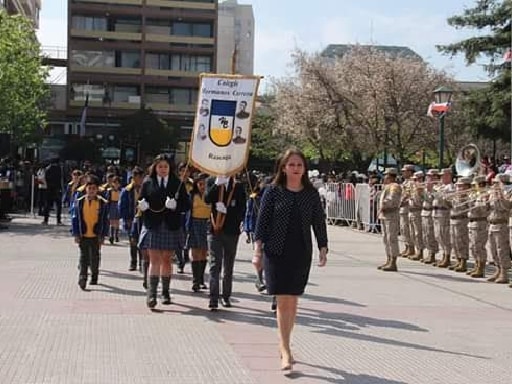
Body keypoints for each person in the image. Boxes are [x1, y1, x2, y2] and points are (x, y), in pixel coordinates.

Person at [252, 147, 328, 373]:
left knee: (292, 301)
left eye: (299, 165)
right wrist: (257, 251)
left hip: (301, 252)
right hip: (275, 252)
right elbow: (262, 223)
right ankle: (285, 349)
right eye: (291, 165)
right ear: (283, 168)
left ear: (304, 168)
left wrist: (323, 247)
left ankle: (285, 341)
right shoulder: (273, 191)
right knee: (283, 299)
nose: (295, 169)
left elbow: (318, 222)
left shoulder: (311, 194)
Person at [137, 154, 190, 308]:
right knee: (154, 260)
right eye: (160, 166)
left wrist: (176, 206)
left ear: (170, 168)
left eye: (165, 166)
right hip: (153, 224)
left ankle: (165, 292)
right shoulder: (148, 182)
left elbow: (186, 205)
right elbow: (140, 200)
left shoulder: (177, 183)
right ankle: (151, 294)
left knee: (166, 259)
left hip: (170, 225)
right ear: (155, 167)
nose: (162, 169)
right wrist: (142, 206)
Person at [205, 174, 246, 310]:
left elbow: (242, 209)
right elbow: (207, 199)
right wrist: (216, 185)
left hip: (231, 231)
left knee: (228, 265)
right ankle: (213, 298)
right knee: (214, 264)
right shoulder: (212, 181)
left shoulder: (238, 186)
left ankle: (226, 296)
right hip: (214, 229)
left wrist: (228, 210)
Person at [71, 175, 109, 290]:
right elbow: (75, 219)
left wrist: (103, 235)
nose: (91, 191)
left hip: (96, 235)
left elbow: (105, 220)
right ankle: (82, 277)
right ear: (85, 189)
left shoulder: (102, 203)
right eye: (89, 188)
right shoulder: (79, 202)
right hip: (83, 234)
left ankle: (94, 275)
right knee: (84, 257)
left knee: (95, 256)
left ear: (97, 189)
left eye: (94, 188)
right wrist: (76, 234)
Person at [186, 173, 211, 292]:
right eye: (200, 184)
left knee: (204, 251)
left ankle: (201, 279)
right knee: (195, 251)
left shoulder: (211, 195)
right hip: (194, 224)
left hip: (207, 223)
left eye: (205, 184)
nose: (203, 186)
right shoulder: (191, 195)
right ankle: (195, 280)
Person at [119, 166, 145, 271]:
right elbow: (122, 206)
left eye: (140, 177)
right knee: (133, 241)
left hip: (143, 219)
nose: (138, 180)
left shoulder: (146, 189)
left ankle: (142, 262)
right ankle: (133, 262)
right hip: (131, 219)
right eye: (135, 177)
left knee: (143, 242)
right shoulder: (127, 190)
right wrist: (126, 219)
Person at [377, 168, 402, 271]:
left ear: (390, 176)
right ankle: (388, 259)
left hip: (391, 215)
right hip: (385, 215)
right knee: (386, 239)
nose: (384, 177)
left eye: (386, 175)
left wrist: (383, 205)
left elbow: (392, 200)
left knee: (392, 239)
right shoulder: (387, 186)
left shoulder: (394, 187)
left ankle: (393, 261)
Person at [107, 176, 122, 244]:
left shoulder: (120, 191)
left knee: (117, 221)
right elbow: (108, 200)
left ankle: (116, 235)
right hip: (112, 205)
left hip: (118, 205)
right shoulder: (110, 191)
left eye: (117, 183)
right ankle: (111, 236)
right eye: (115, 183)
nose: (116, 184)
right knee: (112, 221)